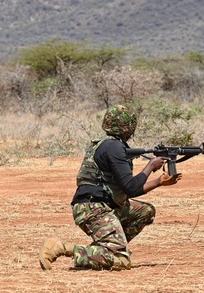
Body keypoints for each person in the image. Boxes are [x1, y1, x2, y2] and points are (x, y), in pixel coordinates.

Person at [40, 105, 181, 271]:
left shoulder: (109, 145)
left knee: (145, 211)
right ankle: (64, 248)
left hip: (102, 205)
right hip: (93, 208)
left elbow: (127, 187)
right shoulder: (114, 148)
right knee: (121, 261)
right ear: (130, 126)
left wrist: (159, 182)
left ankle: (105, 250)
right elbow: (131, 188)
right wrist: (150, 166)